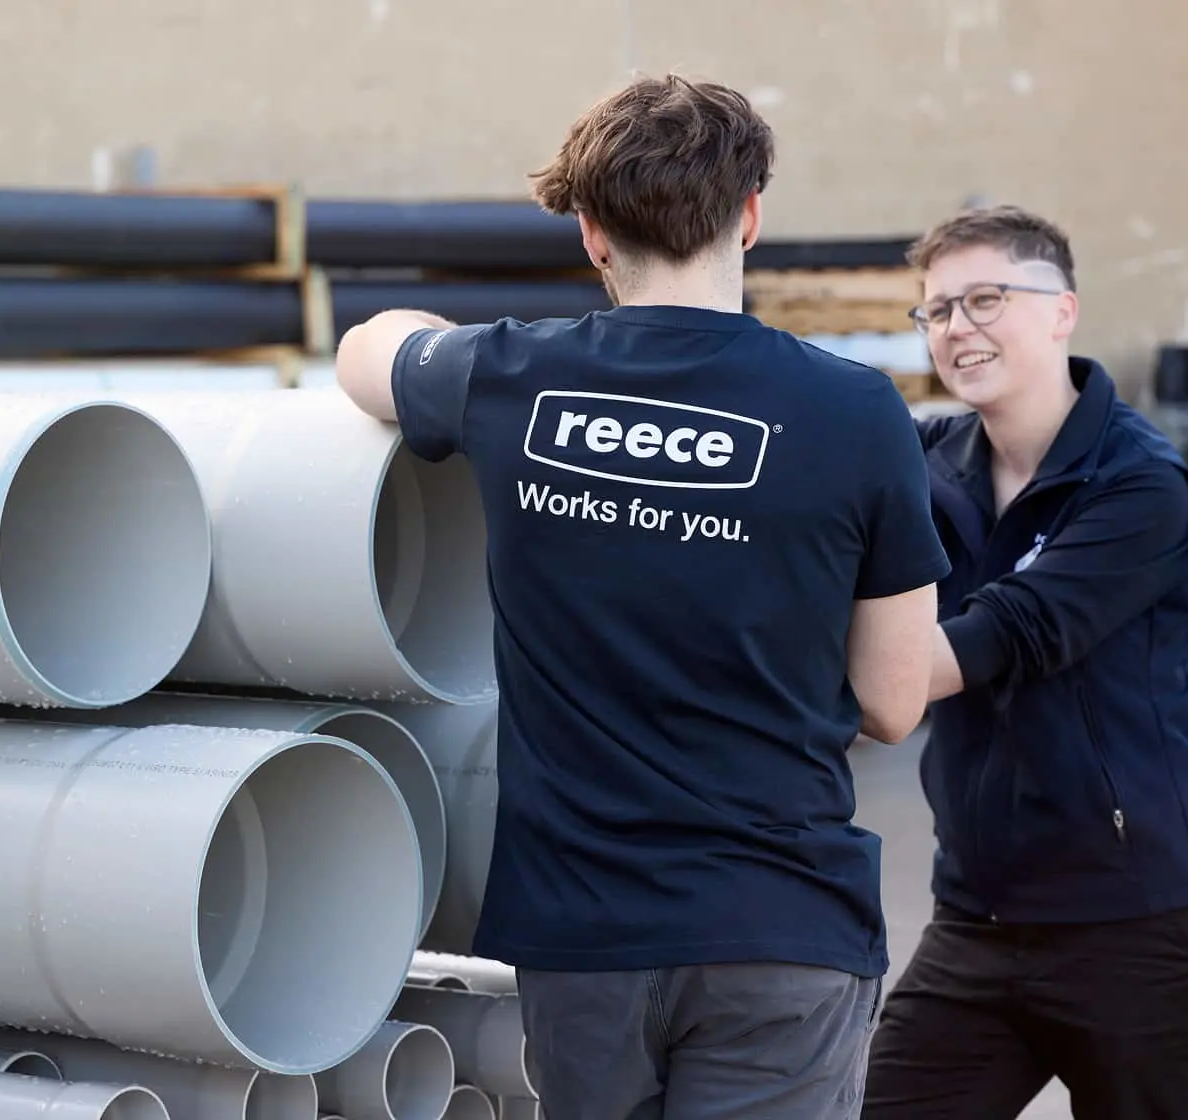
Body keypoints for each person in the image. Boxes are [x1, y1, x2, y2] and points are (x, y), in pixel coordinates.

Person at [335, 73, 950, 1120]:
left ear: (589, 235)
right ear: (749, 216)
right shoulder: (855, 412)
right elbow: (893, 701)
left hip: (584, 934)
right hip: (780, 922)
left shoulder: (509, 379)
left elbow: (368, 350)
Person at [860, 204, 1188, 1120]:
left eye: (987, 298)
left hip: (1144, 926)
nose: (960, 327)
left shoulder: (1145, 486)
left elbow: (1016, 630)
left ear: (1063, 310)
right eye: (939, 310)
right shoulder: (926, 461)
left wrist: (829, 689)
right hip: (979, 919)